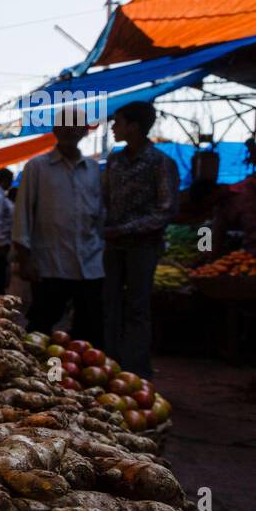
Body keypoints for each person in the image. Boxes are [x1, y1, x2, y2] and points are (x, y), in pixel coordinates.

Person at [102, 102, 180, 378]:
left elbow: (167, 209)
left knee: (137, 307)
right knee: (109, 305)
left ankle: (135, 372)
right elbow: (105, 199)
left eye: (118, 122)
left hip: (144, 246)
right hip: (112, 246)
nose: (112, 127)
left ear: (133, 127)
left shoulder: (161, 162)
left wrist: (125, 229)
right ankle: (108, 366)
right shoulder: (114, 160)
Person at [12, 119, 105, 346]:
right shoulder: (37, 167)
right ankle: (36, 376)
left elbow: (100, 213)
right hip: (50, 264)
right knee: (41, 327)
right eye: (64, 124)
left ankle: (81, 378)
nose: (70, 129)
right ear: (55, 131)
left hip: (89, 265)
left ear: (85, 131)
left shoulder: (93, 169)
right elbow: (23, 213)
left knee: (88, 329)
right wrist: (25, 258)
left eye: (76, 125)